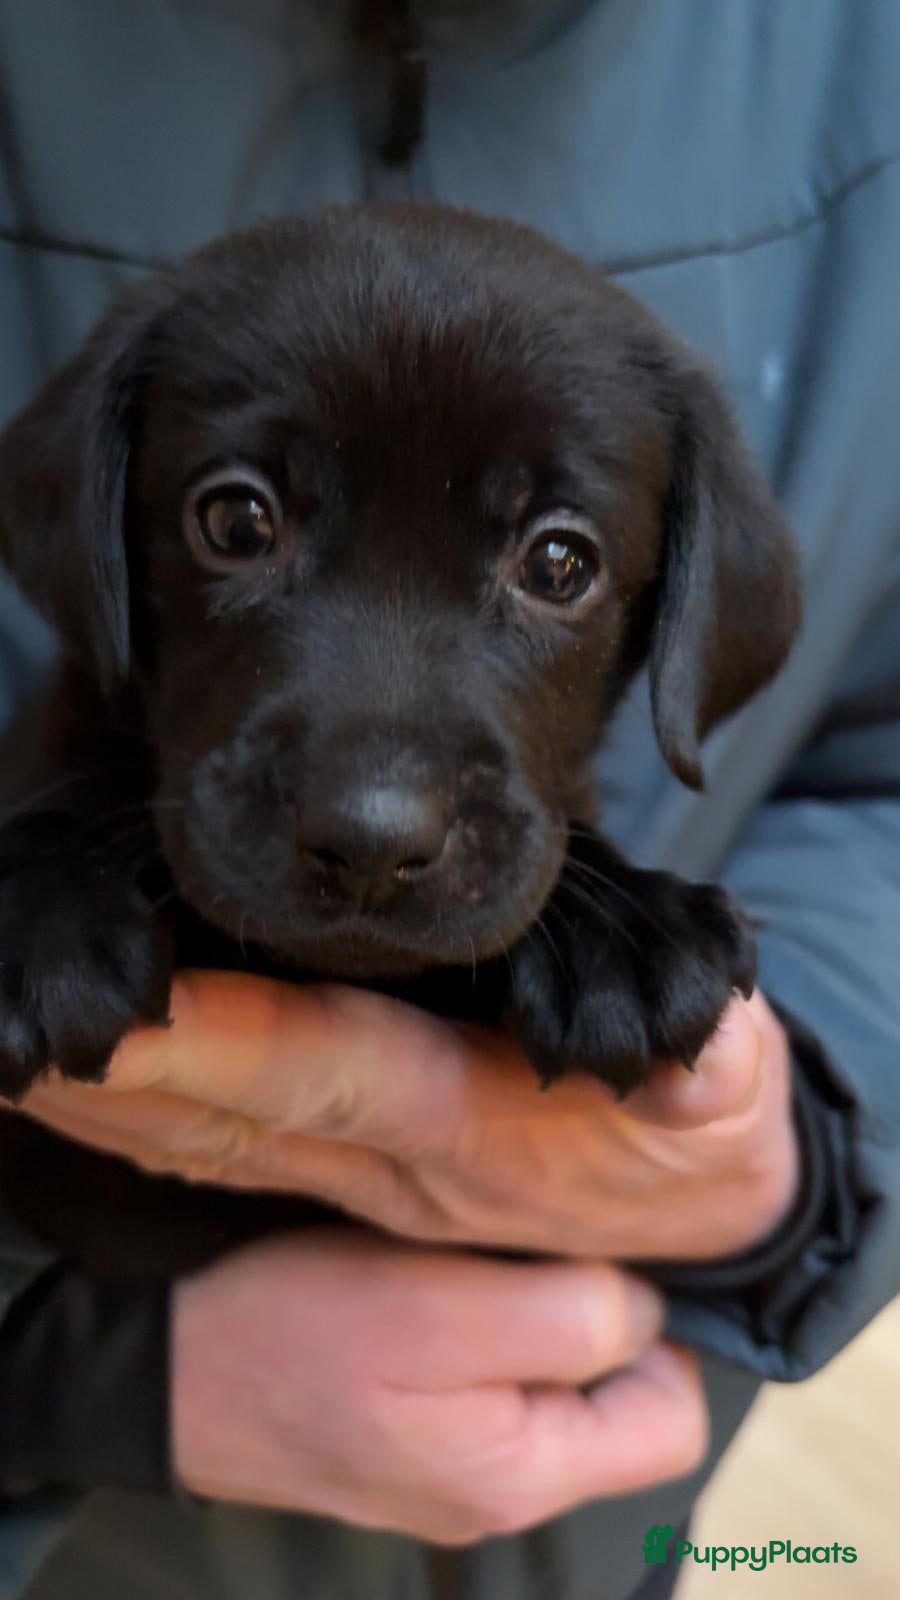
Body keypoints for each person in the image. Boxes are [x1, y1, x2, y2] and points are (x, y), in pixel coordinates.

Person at [0, 2, 898, 1596]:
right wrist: (74, 1381)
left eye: (556, 567)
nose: (381, 804)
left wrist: (806, 1147)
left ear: (671, 615)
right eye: (237, 523)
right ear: (105, 535)